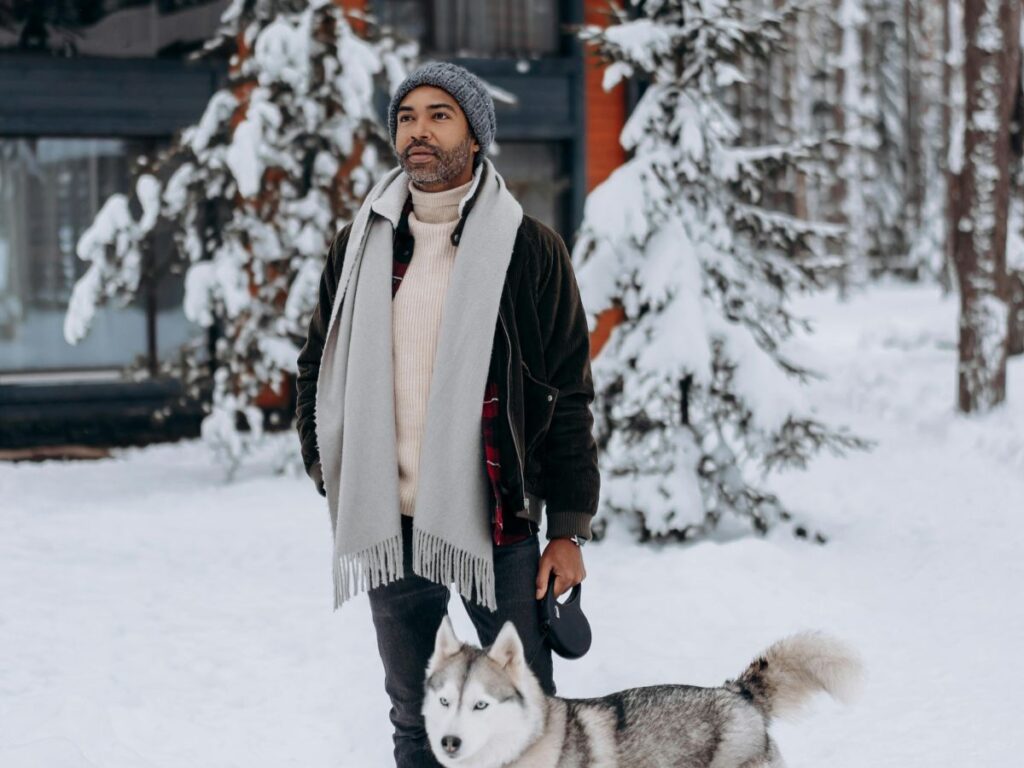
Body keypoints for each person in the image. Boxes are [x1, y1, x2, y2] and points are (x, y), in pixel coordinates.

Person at [295, 61, 600, 768]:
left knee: (528, 710)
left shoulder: (529, 249)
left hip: (500, 523)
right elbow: (317, 367)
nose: (418, 131)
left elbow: (567, 396)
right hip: (387, 519)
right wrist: (328, 467)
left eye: (439, 114)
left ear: (474, 133)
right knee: (416, 713)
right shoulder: (360, 243)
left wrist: (570, 529)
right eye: (406, 116)